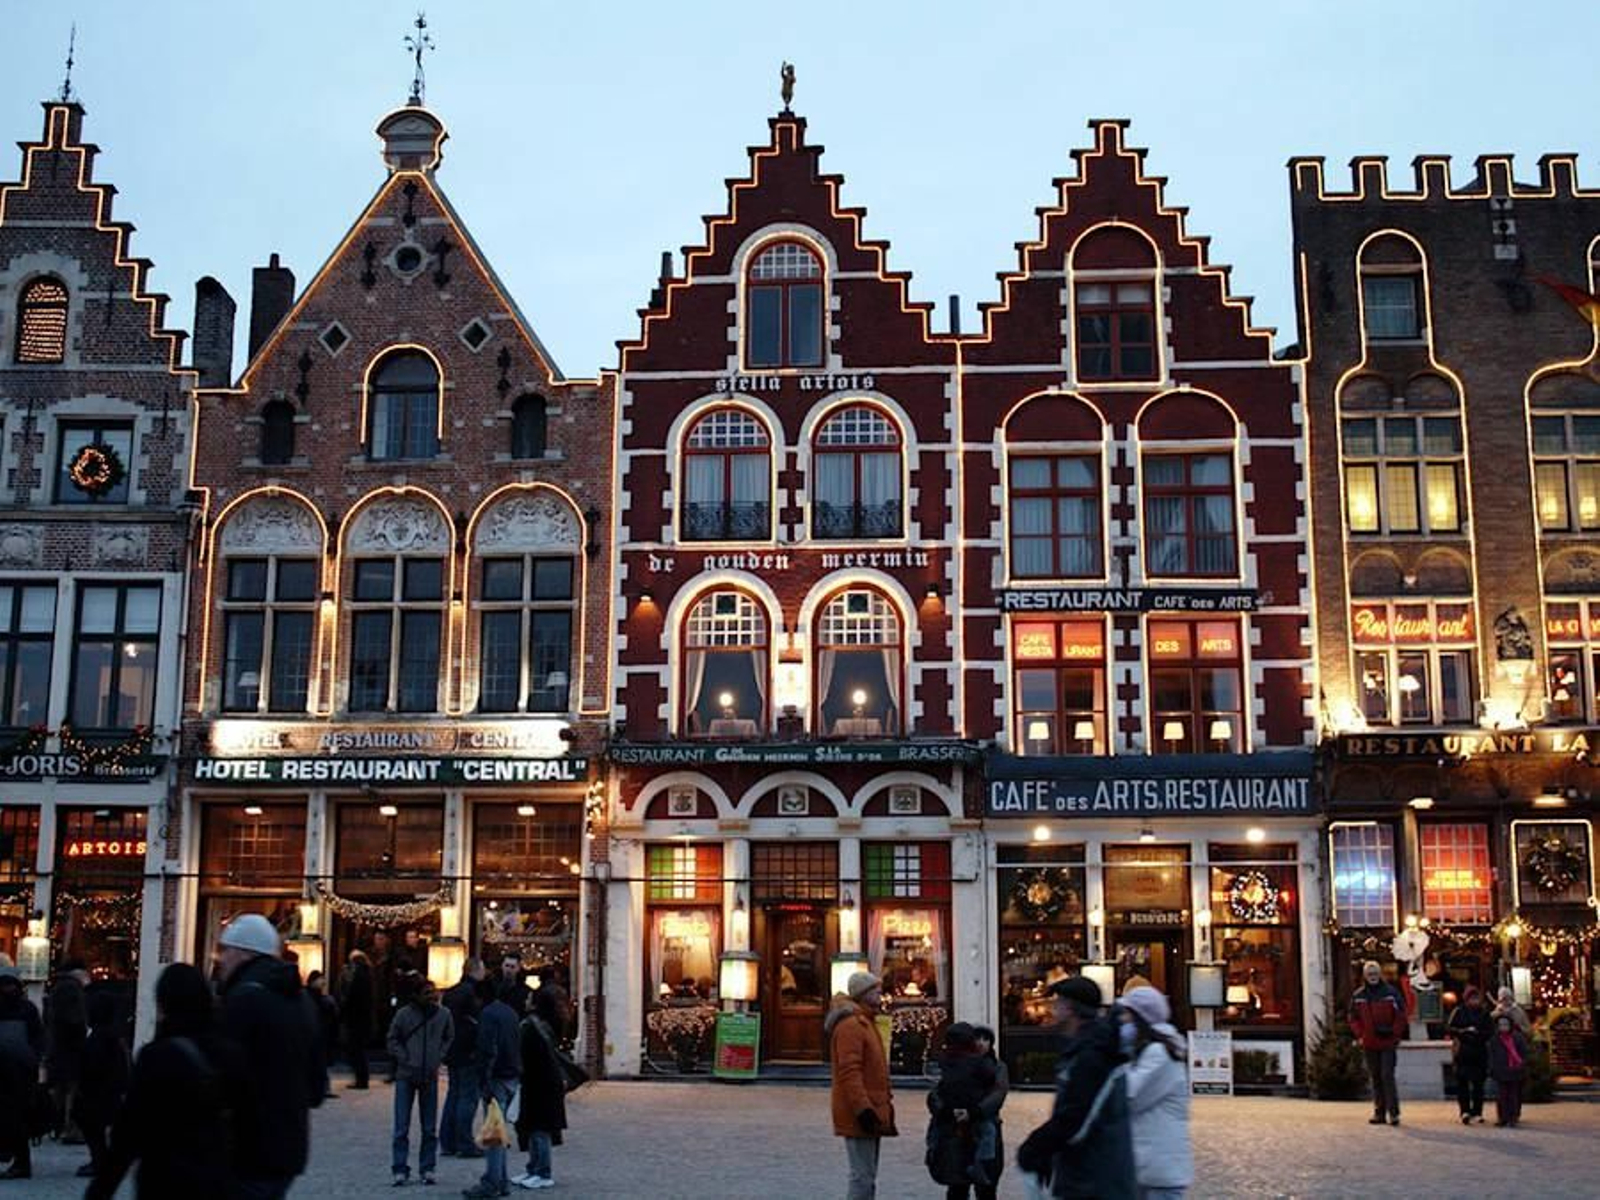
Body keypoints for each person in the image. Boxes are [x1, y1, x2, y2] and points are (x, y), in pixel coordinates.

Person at [85, 962, 249, 1200]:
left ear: (163, 1004)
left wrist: (101, 1189)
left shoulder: (156, 1056)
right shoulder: (230, 1053)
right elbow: (249, 1122)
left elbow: (128, 1133)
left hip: (165, 1179)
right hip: (216, 1178)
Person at [216, 911, 325, 1200]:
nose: (220, 958)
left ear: (245, 954)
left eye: (226, 950)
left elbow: (223, 1078)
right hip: (288, 1147)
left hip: (247, 1147)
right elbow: (316, 1087)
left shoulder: (243, 999)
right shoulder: (302, 1000)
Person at [1016, 976, 1135, 1200]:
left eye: (1057, 1002)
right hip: (1089, 1175)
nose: (1053, 1008)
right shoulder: (1091, 1047)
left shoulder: (1092, 1054)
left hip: (1094, 1180)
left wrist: (1035, 1148)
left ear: (1069, 1008)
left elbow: (1076, 1117)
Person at [826, 970, 896, 1200]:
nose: (880, 994)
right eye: (876, 991)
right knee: (862, 1177)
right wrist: (863, 1109)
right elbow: (850, 1073)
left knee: (867, 1175)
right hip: (861, 1111)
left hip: (872, 1107)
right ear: (863, 994)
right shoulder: (852, 1026)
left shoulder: (866, 1021)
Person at [1120, 985, 1192, 1200]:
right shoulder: (1150, 1051)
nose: (1122, 1021)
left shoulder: (1158, 1054)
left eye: (1126, 1015)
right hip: (1148, 1165)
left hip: (1158, 1169)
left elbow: (1129, 1097)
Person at [387, 972, 454, 1187]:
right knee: (402, 1127)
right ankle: (400, 1168)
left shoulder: (443, 1014)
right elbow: (392, 1039)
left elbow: (449, 1036)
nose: (431, 997)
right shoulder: (404, 1015)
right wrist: (405, 1058)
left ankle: (427, 1167)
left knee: (428, 1127)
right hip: (407, 1074)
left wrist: (438, 1055)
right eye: (426, 994)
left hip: (428, 1074)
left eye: (432, 993)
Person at [925, 1022, 1005, 1200]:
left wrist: (975, 1111)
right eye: (979, 1038)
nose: (982, 1043)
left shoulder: (995, 1066)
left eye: (986, 1039)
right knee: (957, 1183)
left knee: (985, 1185)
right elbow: (938, 1092)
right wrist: (945, 1111)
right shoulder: (952, 1062)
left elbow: (998, 1094)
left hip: (981, 1122)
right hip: (956, 1130)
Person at [467, 976, 522, 1198]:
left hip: (497, 1077)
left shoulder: (488, 1015)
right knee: (500, 1130)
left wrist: (485, 1081)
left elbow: (488, 1049)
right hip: (511, 1074)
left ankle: (492, 1180)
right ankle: (501, 1180)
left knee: (494, 1133)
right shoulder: (510, 1012)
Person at [511, 987, 569, 1193]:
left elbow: (525, 1053)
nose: (525, 1000)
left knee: (539, 1129)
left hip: (539, 1083)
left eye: (529, 998)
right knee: (534, 1127)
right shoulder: (547, 1023)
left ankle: (543, 1172)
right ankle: (533, 1168)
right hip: (542, 1082)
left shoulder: (531, 1026)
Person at [73, 990, 131, 1179]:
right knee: (95, 1129)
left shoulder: (98, 1038)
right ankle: (101, 1160)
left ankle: (100, 1161)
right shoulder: (112, 1037)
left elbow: (91, 1066)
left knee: (93, 1128)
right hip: (107, 1090)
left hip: (97, 1092)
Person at [1347, 960, 1405, 1126]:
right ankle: (1379, 1112)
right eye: (1369, 974)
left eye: (1375, 973)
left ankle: (1393, 1113)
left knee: (1387, 1075)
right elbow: (1352, 1018)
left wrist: (1394, 1033)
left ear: (1380, 974)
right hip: (1370, 1042)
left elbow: (1401, 1015)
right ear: (1365, 976)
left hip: (1388, 1042)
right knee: (1376, 1077)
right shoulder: (1359, 995)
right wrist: (1361, 1034)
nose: (1372, 977)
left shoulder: (1391, 993)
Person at [0, 964, 43, 1181]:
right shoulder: (27, 1008)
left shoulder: (27, 1009)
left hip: (20, 1071)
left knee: (16, 1118)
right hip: (13, 1069)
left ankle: (20, 1161)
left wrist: (33, 1059)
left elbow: (37, 1038)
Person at [442, 957, 488, 1159]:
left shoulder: (451, 993)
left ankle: (447, 1141)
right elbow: (474, 1024)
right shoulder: (472, 993)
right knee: (467, 1097)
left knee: (454, 1094)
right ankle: (464, 1142)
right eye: (483, 969)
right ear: (475, 970)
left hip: (453, 1050)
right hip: (468, 1052)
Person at [45, 958, 89, 1143]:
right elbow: (75, 1018)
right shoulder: (72, 988)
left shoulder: (59, 986)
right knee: (72, 1088)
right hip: (70, 1047)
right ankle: (69, 1127)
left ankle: (56, 1126)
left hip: (59, 1046)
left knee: (60, 1088)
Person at [1446, 986, 1493, 1124]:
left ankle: (1477, 1112)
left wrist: (1478, 1034)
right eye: (1471, 998)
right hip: (1463, 1052)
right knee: (1462, 1084)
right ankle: (1464, 1111)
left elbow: (1490, 1031)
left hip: (1479, 1052)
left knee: (1478, 1084)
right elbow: (1449, 1028)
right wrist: (1463, 1032)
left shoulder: (1484, 1013)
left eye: (1476, 998)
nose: (1474, 1001)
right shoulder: (1459, 1012)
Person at [340, 949, 375, 1089]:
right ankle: (362, 1078)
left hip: (356, 1018)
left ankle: (361, 1079)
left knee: (355, 1049)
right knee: (358, 1049)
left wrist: (344, 1006)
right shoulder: (368, 973)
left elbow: (352, 996)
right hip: (363, 1018)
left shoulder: (358, 975)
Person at [1488, 1013, 1530, 1127]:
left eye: (1505, 1024)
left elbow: (1524, 1052)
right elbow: (1491, 1055)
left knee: (1513, 1095)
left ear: (1510, 1025)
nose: (1503, 1026)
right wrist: (1492, 1068)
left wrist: (1522, 1064)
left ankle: (1513, 1117)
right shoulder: (1494, 1039)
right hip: (1501, 1070)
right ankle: (1502, 1117)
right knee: (1501, 1096)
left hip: (1515, 1070)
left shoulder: (1517, 1037)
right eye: (1501, 1024)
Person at [305, 970, 341, 1098]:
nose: (323, 981)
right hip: (316, 1033)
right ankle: (319, 1088)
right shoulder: (310, 997)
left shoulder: (321, 998)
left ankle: (322, 1088)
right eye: (321, 979)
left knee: (321, 1062)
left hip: (322, 1033)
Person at [498, 953, 531, 1018]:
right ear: (502, 966)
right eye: (507, 966)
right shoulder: (493, 986)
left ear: (518, 968)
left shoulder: (524, 991)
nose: (509, 970)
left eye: (512, 967)